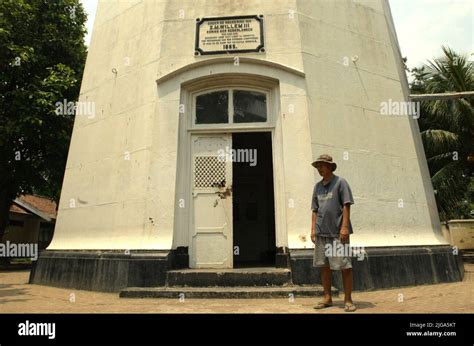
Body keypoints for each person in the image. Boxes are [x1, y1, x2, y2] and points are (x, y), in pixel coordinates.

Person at [310, 154, 356, 312]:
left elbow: (346, 205)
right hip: (321, 232)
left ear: (329, 166)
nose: (319, 169)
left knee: (344, 265)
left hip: (338, 232)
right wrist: (312, 229)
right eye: (317, 167)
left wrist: (344, 227)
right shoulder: (317, 187)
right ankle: (327, 298)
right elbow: (314, 210)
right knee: (324, 266)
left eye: (321, 166)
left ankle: (348, 299)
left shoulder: (340, 183)